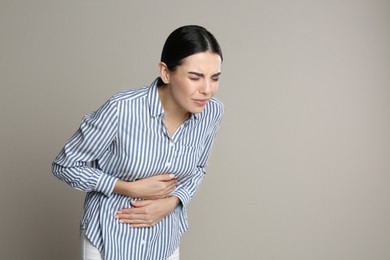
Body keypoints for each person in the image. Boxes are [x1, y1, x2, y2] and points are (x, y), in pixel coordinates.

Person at [52, 25, 224, 260]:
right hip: (109, 238)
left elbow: (198, 169)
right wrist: (128, 187)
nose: (207, 90)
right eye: (195, 77)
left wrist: (173, 202)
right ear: (166, 72)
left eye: (214, 78)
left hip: (164, 239)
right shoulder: (121, 109)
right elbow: (65, 166)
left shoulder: (211, 112)